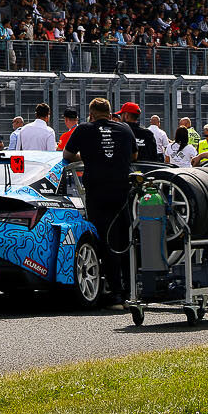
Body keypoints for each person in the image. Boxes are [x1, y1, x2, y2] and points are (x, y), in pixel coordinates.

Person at [63, 97, 135, 301]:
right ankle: (131, 290)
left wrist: (86, 157)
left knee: (103, 239)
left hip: (97, 191)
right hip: (123, 191)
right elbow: (134, 156)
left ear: (91, 114)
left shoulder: (84, 129)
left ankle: (114, 291)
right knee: (125, 239)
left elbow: (67, 155)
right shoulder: (125, 129)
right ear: (110, 113)